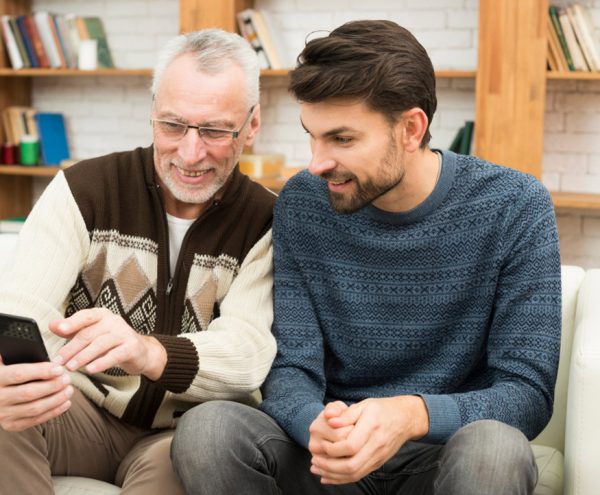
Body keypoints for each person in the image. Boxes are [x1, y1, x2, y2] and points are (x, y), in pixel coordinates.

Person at [172, 20, 561, 495]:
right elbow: (293, 367)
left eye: (342, 139)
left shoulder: (515, 205)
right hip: (329, 459)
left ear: (411, 129)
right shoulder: (303, 203)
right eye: (312, 136)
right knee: (207, 431)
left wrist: (410, 415)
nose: (316, 162)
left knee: (496, 450)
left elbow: (527, 394)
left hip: (444, 457)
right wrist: (318, 428)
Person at [0, 28, 276, 494]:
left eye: (213, 130)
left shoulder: (266, 221)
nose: (190, 153)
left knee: (192, 458)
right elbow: (23, 309)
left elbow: (248, 353)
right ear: (151, 110)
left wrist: (148, 352)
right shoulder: (83, 189)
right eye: (172, 125)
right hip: (78, 410)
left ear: (251, 125)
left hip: (178, 433)